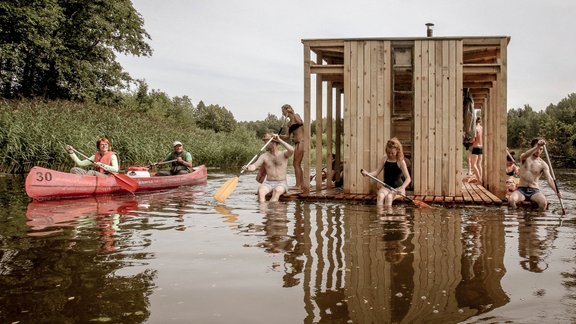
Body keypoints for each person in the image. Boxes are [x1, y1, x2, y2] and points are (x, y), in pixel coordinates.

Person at [508, 138, 561, 211]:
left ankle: (535, 218)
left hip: (534, 190)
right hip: (521, 189)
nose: (538, 151)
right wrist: (538, 146)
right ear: (533, 147)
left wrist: (556, 191)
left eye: (541, 149)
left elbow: (550, 179)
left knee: (544, 203)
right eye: (537, 148)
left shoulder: (543, 164)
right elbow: (524, 155)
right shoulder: (525, 158)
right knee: (511, 200)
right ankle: (518, 217)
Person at [242, 133, 294, 202]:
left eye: (266, 143)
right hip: (268, 183)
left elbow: (291, 150)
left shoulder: (283, 154)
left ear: (273, 143)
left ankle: (272, 211)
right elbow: (254, 166)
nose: (264, 145)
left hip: (281, 183)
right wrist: (248, 167)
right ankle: (263, 210)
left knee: (277, 191)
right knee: (261, 192)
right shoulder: (264, 156)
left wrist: (279, 139)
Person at [361, 137, 412, 207]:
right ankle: (380, 217)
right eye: (388, 153)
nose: (390, 155)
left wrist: (402, 187)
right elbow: (376, 172)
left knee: (389, 197)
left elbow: (408, 178)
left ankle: (388, 217)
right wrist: (367, 174)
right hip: (386, 187)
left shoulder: (401, 161)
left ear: (397, 151)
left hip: (398, 188)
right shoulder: (385, 158)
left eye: (392, 153)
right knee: (380, 196)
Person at [280, 104, 304, 190]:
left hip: (302, 142)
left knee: (296, 164)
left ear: (287, 110)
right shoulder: (288, 123)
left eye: (283, 111)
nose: (282, 113)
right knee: (297, 164)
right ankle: (301, 184)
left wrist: (292, 113)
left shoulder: (296, 116)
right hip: (297, 143)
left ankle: (298, 185)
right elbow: (287, 137)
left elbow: (300, 122)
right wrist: (278, 136)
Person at [469, 117, 483, 183]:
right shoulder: (482, 128)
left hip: (476, 147)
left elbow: (474, 139)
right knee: (479, 164)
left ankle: (479, 180)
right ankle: (481, 179)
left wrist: (469, 141)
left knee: (473, 165)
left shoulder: (475, 129)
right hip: (481, 147)